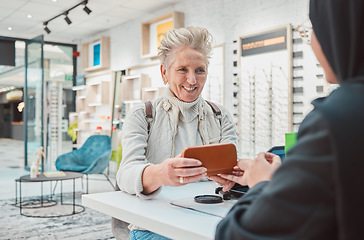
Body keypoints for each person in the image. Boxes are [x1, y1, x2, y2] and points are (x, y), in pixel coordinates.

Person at [213, 0, 364, 239]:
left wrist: (264, 184)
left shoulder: (338, 118)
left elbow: (236, 234)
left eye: (313, 29)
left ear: (338, 30)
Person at [115, 26, 238, 239]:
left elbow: (232, 169)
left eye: (200, 70)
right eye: (182, 70)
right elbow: (125, 174)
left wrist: (234, 176)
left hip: (209, 220)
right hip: (153, 226)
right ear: (164, 72)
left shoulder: (221, 115)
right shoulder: (142, 115)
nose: (192, 80)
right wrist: (161, 174)